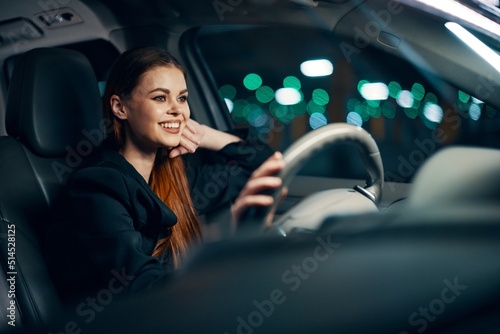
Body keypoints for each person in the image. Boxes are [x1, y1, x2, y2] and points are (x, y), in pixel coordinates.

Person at [44, 47, 285, 306]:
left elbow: (265, 166)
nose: (177, 110)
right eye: (160, 98)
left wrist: (206, 135)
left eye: (182, 99)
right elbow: (143, 285)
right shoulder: (96, 187)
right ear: (119, 107)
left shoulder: (178, 175)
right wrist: (229, 251)